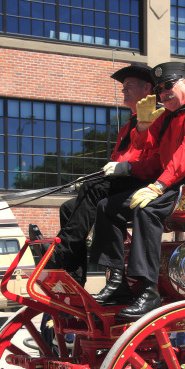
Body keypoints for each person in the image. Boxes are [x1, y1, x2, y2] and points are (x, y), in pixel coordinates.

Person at [92, 61, 185, 319]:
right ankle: (117, 283)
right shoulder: (165, 116)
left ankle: (148, 290)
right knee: (106, 208)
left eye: (168, 86)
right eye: (160, 89)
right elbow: (149, 150)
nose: (164, 93)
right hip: (172, 183)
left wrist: (158, 185)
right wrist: (141, 129)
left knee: (147, 209)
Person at [50, 62, 161, 283]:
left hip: (146, 182)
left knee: (92, 190)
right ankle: (74, 275)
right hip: (123, 180)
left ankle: (62, 252)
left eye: (129, 85)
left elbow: (154, 158)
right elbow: (118, 161)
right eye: (123, 86)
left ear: (147, 88)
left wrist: (124, 168)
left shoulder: (158, 117)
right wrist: (98, 175)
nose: (123, 90)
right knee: (68, 207)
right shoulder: (126, 127)